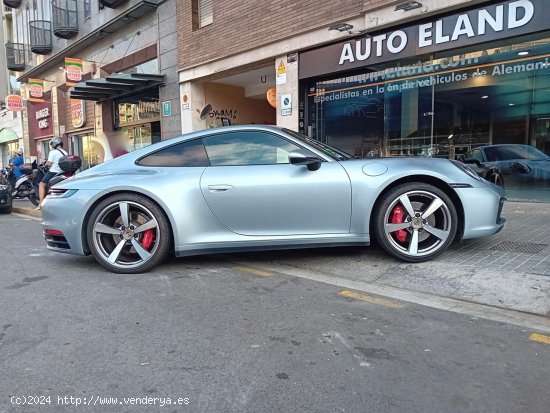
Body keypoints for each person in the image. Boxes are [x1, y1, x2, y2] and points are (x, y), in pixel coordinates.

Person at [36, 137, 67, 210]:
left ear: (54, 144)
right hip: (63, 172)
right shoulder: (65, 152)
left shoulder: (53, 152)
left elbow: (49, 164)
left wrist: (45, 164)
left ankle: (41, 204)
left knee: (41, 185)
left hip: (54, 172)